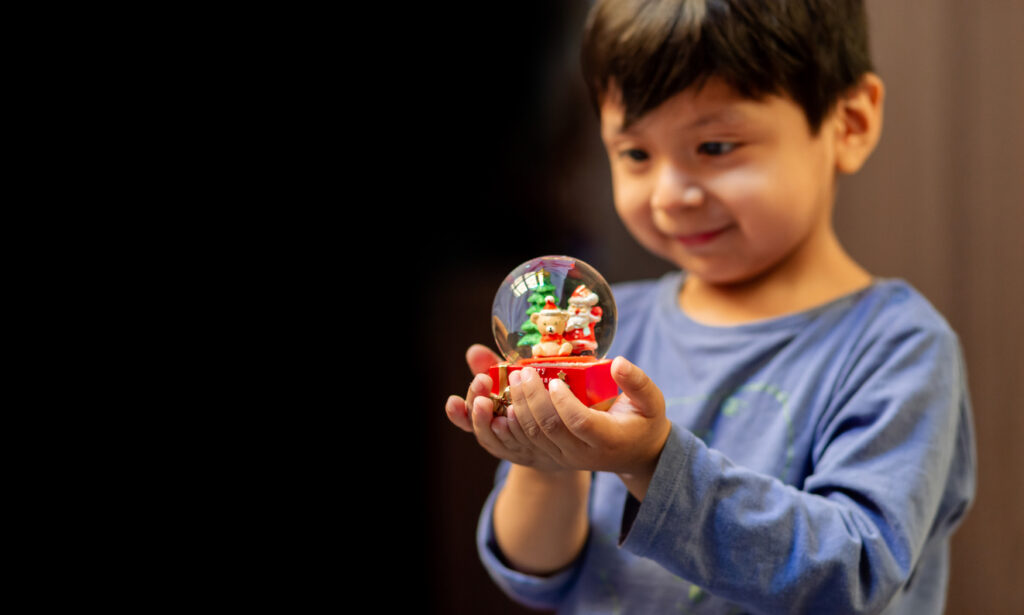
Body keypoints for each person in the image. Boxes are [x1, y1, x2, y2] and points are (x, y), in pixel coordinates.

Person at [444, 1, 976, 613]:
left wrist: (652, 464)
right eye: (637, 154)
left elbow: (852, 574)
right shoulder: (605, 338)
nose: (671, 195)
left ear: (849, 124)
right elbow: (538, 573)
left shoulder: (897, 346)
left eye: (716, 146)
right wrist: (545, 461)